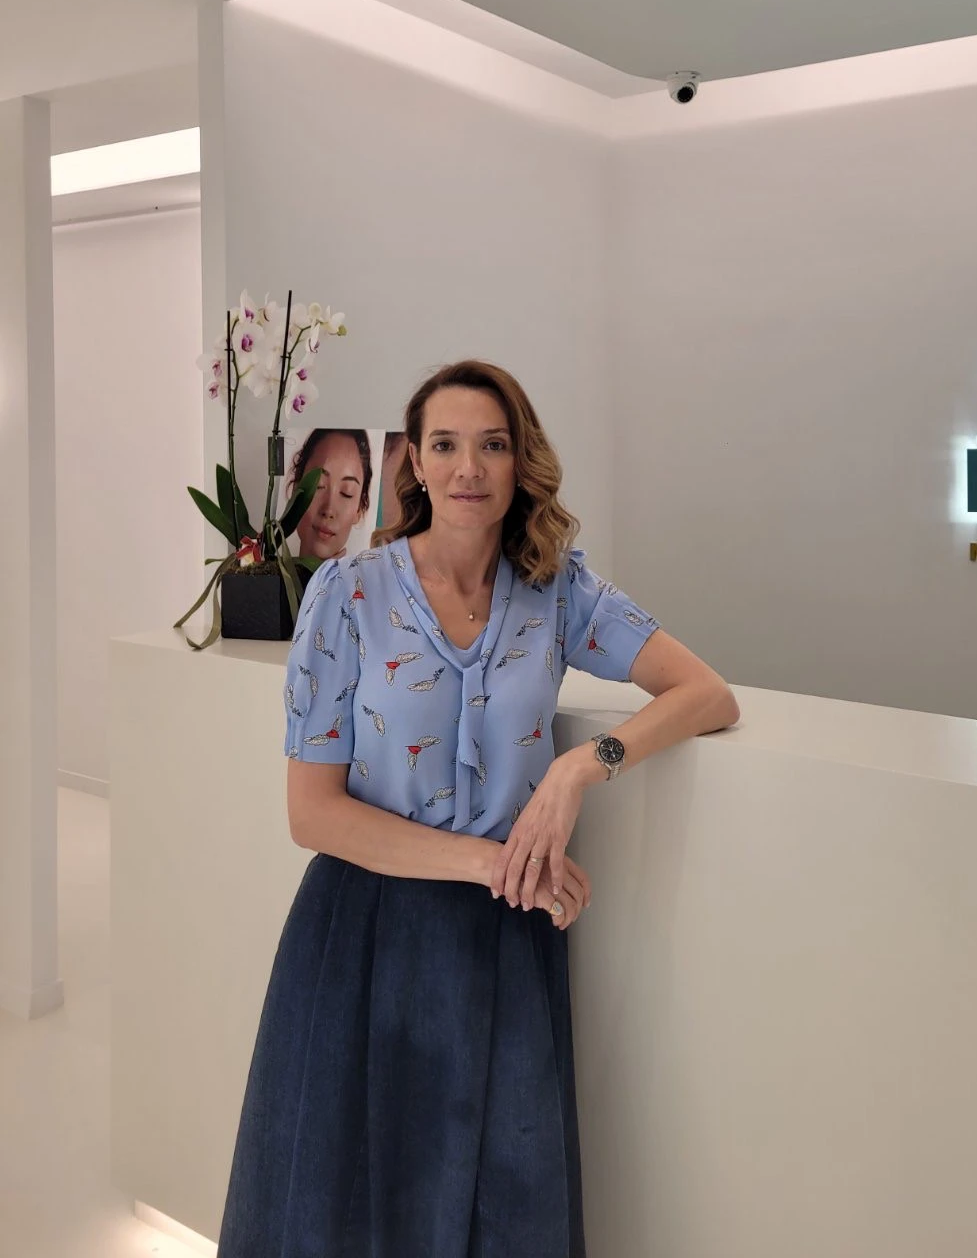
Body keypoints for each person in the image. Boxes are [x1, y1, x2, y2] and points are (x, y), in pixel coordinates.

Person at [217, 359, 739, 1258]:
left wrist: (581, 768)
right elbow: (314, 814)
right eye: (446, 445)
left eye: (492, 445)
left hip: (505, 943)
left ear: (519, 460)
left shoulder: (559, 592)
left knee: (505, 1200)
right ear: (414, 463)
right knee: (353, 1205)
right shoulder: (348, 594)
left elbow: (707, 693)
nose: (469, 468)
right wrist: (492, 861)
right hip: (366, 933)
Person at [287, 427, 373, 562]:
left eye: (347, 493)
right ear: (296, 487)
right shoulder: (261, 570)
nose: (328, 510)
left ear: (360, 509)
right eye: (318, 485)